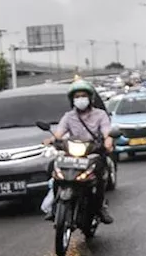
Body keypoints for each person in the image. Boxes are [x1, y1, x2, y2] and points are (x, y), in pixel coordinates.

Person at [42, 81, 114, 224]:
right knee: (53, 168)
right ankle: (55, 206)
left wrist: (108, 140)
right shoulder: (69, 116)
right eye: (77, 96)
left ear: (90, 98)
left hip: (93, 152)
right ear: (72, 100)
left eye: (83, 96)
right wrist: (51, 139)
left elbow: (107, 131)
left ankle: (100, 207)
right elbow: (59, 133)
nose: (80, 99)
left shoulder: (100, 115)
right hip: (73, 153)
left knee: (100, 174)